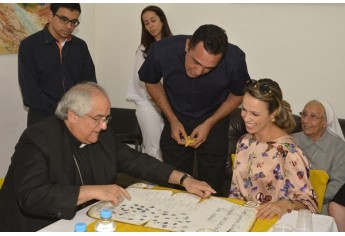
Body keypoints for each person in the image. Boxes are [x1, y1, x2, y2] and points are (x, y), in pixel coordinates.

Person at [0, 82, 215, 232]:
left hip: (83, 221)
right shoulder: (37, 139)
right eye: (98, 118)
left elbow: (137, 161)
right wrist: (94, 191)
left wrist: (184, 179)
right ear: (72, 115)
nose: (104, 126)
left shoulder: (102, 135)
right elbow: (31, 197)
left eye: (106, 118)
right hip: (34, 227)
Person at [138, 24, 250, 195]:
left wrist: (210, 123)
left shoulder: (234, 59)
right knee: (175, 182)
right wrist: (172, 119)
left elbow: (238, 95)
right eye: (195, 62)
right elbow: (151, 81)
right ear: (187, 45)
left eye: (208, 68)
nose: (199, 71)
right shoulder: (162, 50)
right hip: (176, 117)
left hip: (214, 120)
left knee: (212, 184)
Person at [229, 78, 319, 220]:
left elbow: (310, 204)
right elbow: (235, 191)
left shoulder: (288, 150)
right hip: (243, 220)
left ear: (273, 113)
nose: (246, 118)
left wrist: (286, 204)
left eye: (255, 114)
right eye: (244, 110)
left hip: (276, 224)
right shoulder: (243, 142)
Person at [18, 3, 97, 127]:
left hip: (75, 120)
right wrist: (62, 113)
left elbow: (89, 84)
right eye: (64, 20)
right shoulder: (29, 45)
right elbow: (30, 93)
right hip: (42, 121)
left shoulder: (80, 46)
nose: (69, 26)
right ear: (50, 15)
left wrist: (78, 112)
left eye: (74, 22)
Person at [126, 5, 173, 161]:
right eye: (146, 23)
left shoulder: (174, 45)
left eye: (153, 20)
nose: (150, 26)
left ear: (162, 20)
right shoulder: (143, 50)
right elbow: (141, 81)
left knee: (168, 149)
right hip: (147, 105)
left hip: (171, 106)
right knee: (152, 149)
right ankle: (152, 184)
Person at [291, 100, 345, 215]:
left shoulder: (338, 146)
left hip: (321, 204)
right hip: (291, 201)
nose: (305, 120)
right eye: (304, 114)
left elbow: (338, 183)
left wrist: (312, 199)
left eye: (313, 117)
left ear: (325, 122)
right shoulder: (291, 140)